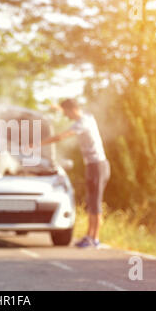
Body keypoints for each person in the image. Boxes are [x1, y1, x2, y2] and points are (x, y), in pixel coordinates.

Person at [32, 99, 110, 248]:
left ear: (72, 110)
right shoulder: (87, 117)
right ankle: (90, 237)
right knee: (91, 201)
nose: (66, 116)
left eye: (66, 112)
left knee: (95, 202)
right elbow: (72, 110)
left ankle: (94, 238)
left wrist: (38, 144)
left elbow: (61, 137)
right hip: (93, 165)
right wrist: (58, 108)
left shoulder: (82, 124)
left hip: (97, 166)